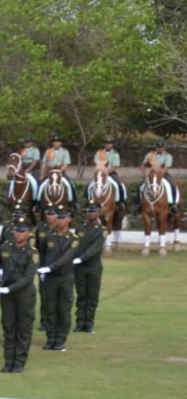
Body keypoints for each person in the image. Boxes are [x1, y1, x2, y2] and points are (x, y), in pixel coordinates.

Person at [0, 215, 40, 373]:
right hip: (7, 295)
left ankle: (19, 361)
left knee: (23, 328)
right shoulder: (5, 247)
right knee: (8, 327)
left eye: (22, 231)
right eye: (16, 231)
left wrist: (9, 288)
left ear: (28, 233)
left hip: (24, 295)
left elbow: (28, 277)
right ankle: (8, 361)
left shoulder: (32, 253)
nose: (19, 234)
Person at [38, 207, 81, 351]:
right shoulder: (49, 236)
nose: (60, 220)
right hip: (50, 279)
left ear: (69, 219)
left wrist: (50, 267)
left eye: (64, 218)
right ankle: (51, 338)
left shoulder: (73, 239)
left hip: (65, 277)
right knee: (50, 308)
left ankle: (60, 339)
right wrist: (42, 268)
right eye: (59, 217)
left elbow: (66, 257)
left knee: (64, 309)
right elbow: (42, 253)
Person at [73, 200, 106, 333]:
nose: (91, 213)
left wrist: (81, 258)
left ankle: (89, 323)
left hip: (94, 266)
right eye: (89, 211)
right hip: (79, 268)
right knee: (81, 295)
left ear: (98, 213)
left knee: (92, 296)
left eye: (94, 211)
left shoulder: (102, 230)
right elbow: (75, 245)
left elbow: (95, 248)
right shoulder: (79, 228)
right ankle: (80, 322)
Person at [139, 141, 179, 212]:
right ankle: (139, 204)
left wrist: (159, 175)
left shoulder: (168, 156)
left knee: (172, 185)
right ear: (156, 147)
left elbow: (166, 168)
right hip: (152, 174)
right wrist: (144, 173)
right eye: (158, 147)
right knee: (140, 187)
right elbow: (143, 165)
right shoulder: (150, 155)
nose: (159, 149)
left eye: (161, 147)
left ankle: (173, 204)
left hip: (163, 174)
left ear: (164, 147)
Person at [92, 137, 127, 205]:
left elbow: (115, 166)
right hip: (100, 173)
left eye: (110, 144)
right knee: (90, 185)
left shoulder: (115, 154)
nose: (108, 145)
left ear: (112, 145)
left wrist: (106, 173)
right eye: (106, 144)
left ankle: (121, 202)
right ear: (104, 145)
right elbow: (96, 163)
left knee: (118, 185)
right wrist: (101, 172)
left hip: (111, 173)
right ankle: (89, 200)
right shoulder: (99, 153)